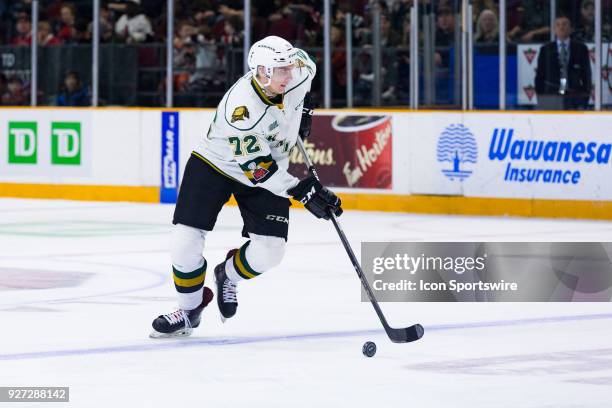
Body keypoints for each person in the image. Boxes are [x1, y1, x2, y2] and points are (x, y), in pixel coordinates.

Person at [150, 36, 343, 338]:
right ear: (261, 72)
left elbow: (307, 69)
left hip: (269, 162)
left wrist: (305, 111)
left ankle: (227, 275)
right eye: (280, 70)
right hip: (217, 162)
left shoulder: (301, 71)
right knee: (184, 242)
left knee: (270, 253)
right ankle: (189, 309)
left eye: (289, 67)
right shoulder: (240, 110)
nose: (288, 74)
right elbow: (259, 171)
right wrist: (303, 191)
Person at [535, 15, 592, 110]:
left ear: (571, 29)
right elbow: (540, 76)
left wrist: (585, 96)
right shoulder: (545, 49)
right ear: (554, 29)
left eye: (565, 24)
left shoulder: (581, 48)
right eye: (558, 25)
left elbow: (586, 75)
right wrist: (542, 97)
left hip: (575, 97)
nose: (561, 27)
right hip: (551, 97)